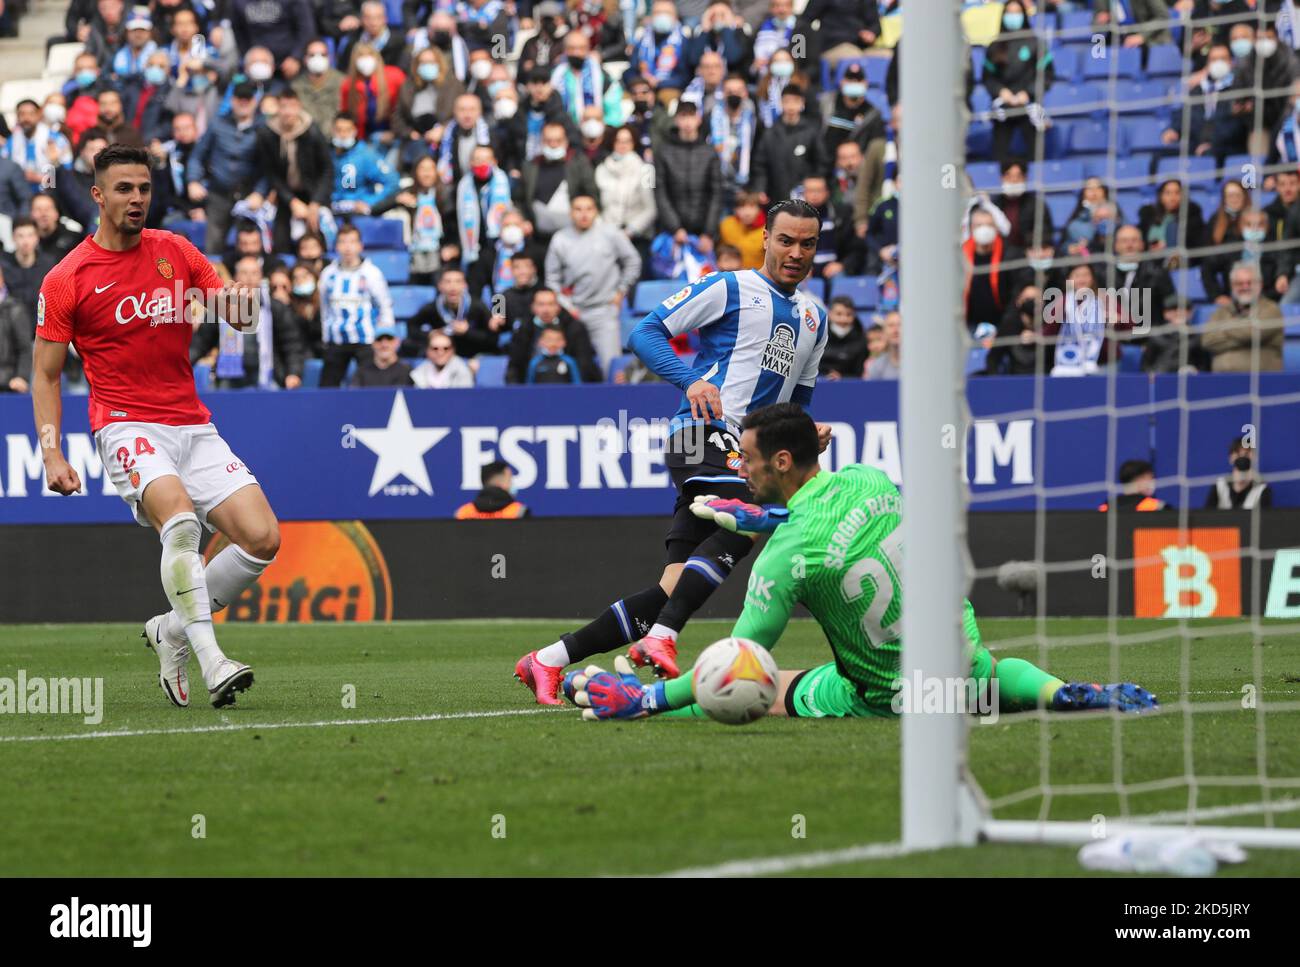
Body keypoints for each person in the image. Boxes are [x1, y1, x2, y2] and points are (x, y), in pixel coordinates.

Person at [571, 404, 1157, 721]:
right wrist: (770, 515)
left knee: (773, 689)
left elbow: (738, 662)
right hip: (957, 666)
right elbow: (828, 521)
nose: (739, 470)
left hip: (889, 697)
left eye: (746, 460)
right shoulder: (870, 477)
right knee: (988, 676)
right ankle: (1063, 693)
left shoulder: (782, 561)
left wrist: (646, 701)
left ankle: (614, 692)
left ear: (780, 460)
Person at [513, 199, 831, 705]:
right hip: (699, 434)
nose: (795, 252)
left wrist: (805, 434)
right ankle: (661, 636)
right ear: (765, 238)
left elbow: (800, 399)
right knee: (753, 520)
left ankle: (547, 659)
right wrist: (691, 381)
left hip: (744, 454)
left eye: (807, 243)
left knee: (671, 587)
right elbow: (645, 333)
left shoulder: (815, 317)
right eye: (786, 240)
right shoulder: (730, 286)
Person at [33, 142, 272, 709]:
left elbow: (232, 314)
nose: (137, 199)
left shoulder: (175, 251)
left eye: (144, 188)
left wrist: (244, 301)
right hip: (124, 424)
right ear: (98, 196)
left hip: (191, 422)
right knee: (183, 525)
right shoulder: (68, 277)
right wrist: (51, 453)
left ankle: (170, 629)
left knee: (262, 539)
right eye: (124, 189)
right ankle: (212, 661)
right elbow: (44, 375)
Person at [545, 194, 642, 372]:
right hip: (573, 313)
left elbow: (633, 261)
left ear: (596, 211)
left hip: (604, 311)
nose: (584, 214)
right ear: (570, 213)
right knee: (570, 369)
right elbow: (552, 280)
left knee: (611, 368)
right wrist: (566, 305)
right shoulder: (560, 239)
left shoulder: (611, 233)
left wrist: (621, 291)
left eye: (589, 209)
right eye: (578, 209)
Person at [190, 254, 305, 388]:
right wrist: (181, 364)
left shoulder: (275, 308)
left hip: (267, 376)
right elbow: (200, 343)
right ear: (235, 277)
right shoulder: (220, 307)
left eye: (254, 273)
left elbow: (292, 344)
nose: (249, 278)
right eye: (244, 273)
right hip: (229, 379)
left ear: (261, 277)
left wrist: (293, 373)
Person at [186, 81, 262, 252]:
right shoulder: (217, 123)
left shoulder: (263, 128)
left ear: (255, 101)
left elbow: (268, 167)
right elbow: (197, 156)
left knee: (248, 247)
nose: (243, 102)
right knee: (213, 246)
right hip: (218, 193)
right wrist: (193, 180)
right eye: (239, 98)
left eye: (247, 98)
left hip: (249, 196)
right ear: (232, 100)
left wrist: (260, 192)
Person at [318, 222, 396, 386]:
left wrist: (385, 336)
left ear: (360, 246)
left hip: (365, 340)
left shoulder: (371, 273)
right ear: (336, 246)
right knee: (326, 389)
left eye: (352, 242)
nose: (348, 248)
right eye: (343, 242)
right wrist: (326, 336)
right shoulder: (328, 275)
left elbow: (384, 305)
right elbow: (324, 309)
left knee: (370, 386)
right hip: (336, 340)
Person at [255, 87, 332, 251]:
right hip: (285, 195)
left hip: (313, 193)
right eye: (283, 107)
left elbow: (327, 170)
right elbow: (271, 173)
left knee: (316, 240)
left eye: (292, 106)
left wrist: (316, 202)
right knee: (280, 241)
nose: (288, 112)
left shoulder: (312, 131)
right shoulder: (268, 133)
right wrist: (291, 201)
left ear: (299, 107)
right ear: (278, 108)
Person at [653, 101, 723, 254]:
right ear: (676, 120)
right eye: (683, 117)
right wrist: (675, 228)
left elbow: (716, 194)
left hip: (703, 234)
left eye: (691, 116)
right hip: (672, 233)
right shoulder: (663, 152)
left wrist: (708, 233)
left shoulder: (710, 153)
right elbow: (660, 192)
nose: (687, 122)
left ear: (698, 119)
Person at [505, 285, 602, 383]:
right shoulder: (523, 329)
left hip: (568, 387)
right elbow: (515, 366)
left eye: (550, 304)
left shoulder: (575, 328)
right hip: (532, 389)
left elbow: (584, 364)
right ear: (533, 307)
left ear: (558, 307)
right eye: (541, 304)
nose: (546, 310)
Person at [1201, 261, 1285, 372]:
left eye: (1250, 282)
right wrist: (1242, 335)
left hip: (1263, 381)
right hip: (1222, 382)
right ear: (1232, 286)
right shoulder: (1221, 311)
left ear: (1260, 284)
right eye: (1239, 283)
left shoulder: (1271, 309)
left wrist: (1223, 327)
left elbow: (1250, 334)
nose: (1245, 287)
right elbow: (1207, 340)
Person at [0, 218, 59, 323]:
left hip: (42, 324)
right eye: (20, 236)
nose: (25, 241)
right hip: (11, 326)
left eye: (30, 235)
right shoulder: (3, 264)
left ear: (37, 237)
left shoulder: (49, 264)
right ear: (13, 238)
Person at [1205, 436, 1272, 510]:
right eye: (1238, 453)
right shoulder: (1219, 485)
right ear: (1231, 458)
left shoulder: (1261, 488)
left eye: (1246, 453)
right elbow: (1206, 516)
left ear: (1254, 458)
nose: (1242, 456)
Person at [454, 460, 528, 519]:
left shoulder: (463, 513)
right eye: (510, 479)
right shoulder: (519, 512)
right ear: (504, 479)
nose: (512, 483)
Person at [0, 268, 33, 393]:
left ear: (1, 280)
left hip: (9, 384)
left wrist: (22, 377)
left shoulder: (15, 309)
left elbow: (25, 348)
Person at [819, 295, 867, 379]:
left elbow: (859, 373)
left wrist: (842, 378)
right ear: (830, 314)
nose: (843, 319)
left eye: (848, 314)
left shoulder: (861, 340)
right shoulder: (818, 336)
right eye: (838, 314)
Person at [1098, 460, 1169, 512]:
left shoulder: (1106, 507)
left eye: (1152, 478)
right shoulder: (1157, 507)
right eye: (1144, 478)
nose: (1151, 483)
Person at [864, 309, 900, 380]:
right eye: (891, 325)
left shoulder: (920, 363)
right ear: (884, 332)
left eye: (900, 324)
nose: (896, 330)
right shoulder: (876, 366)